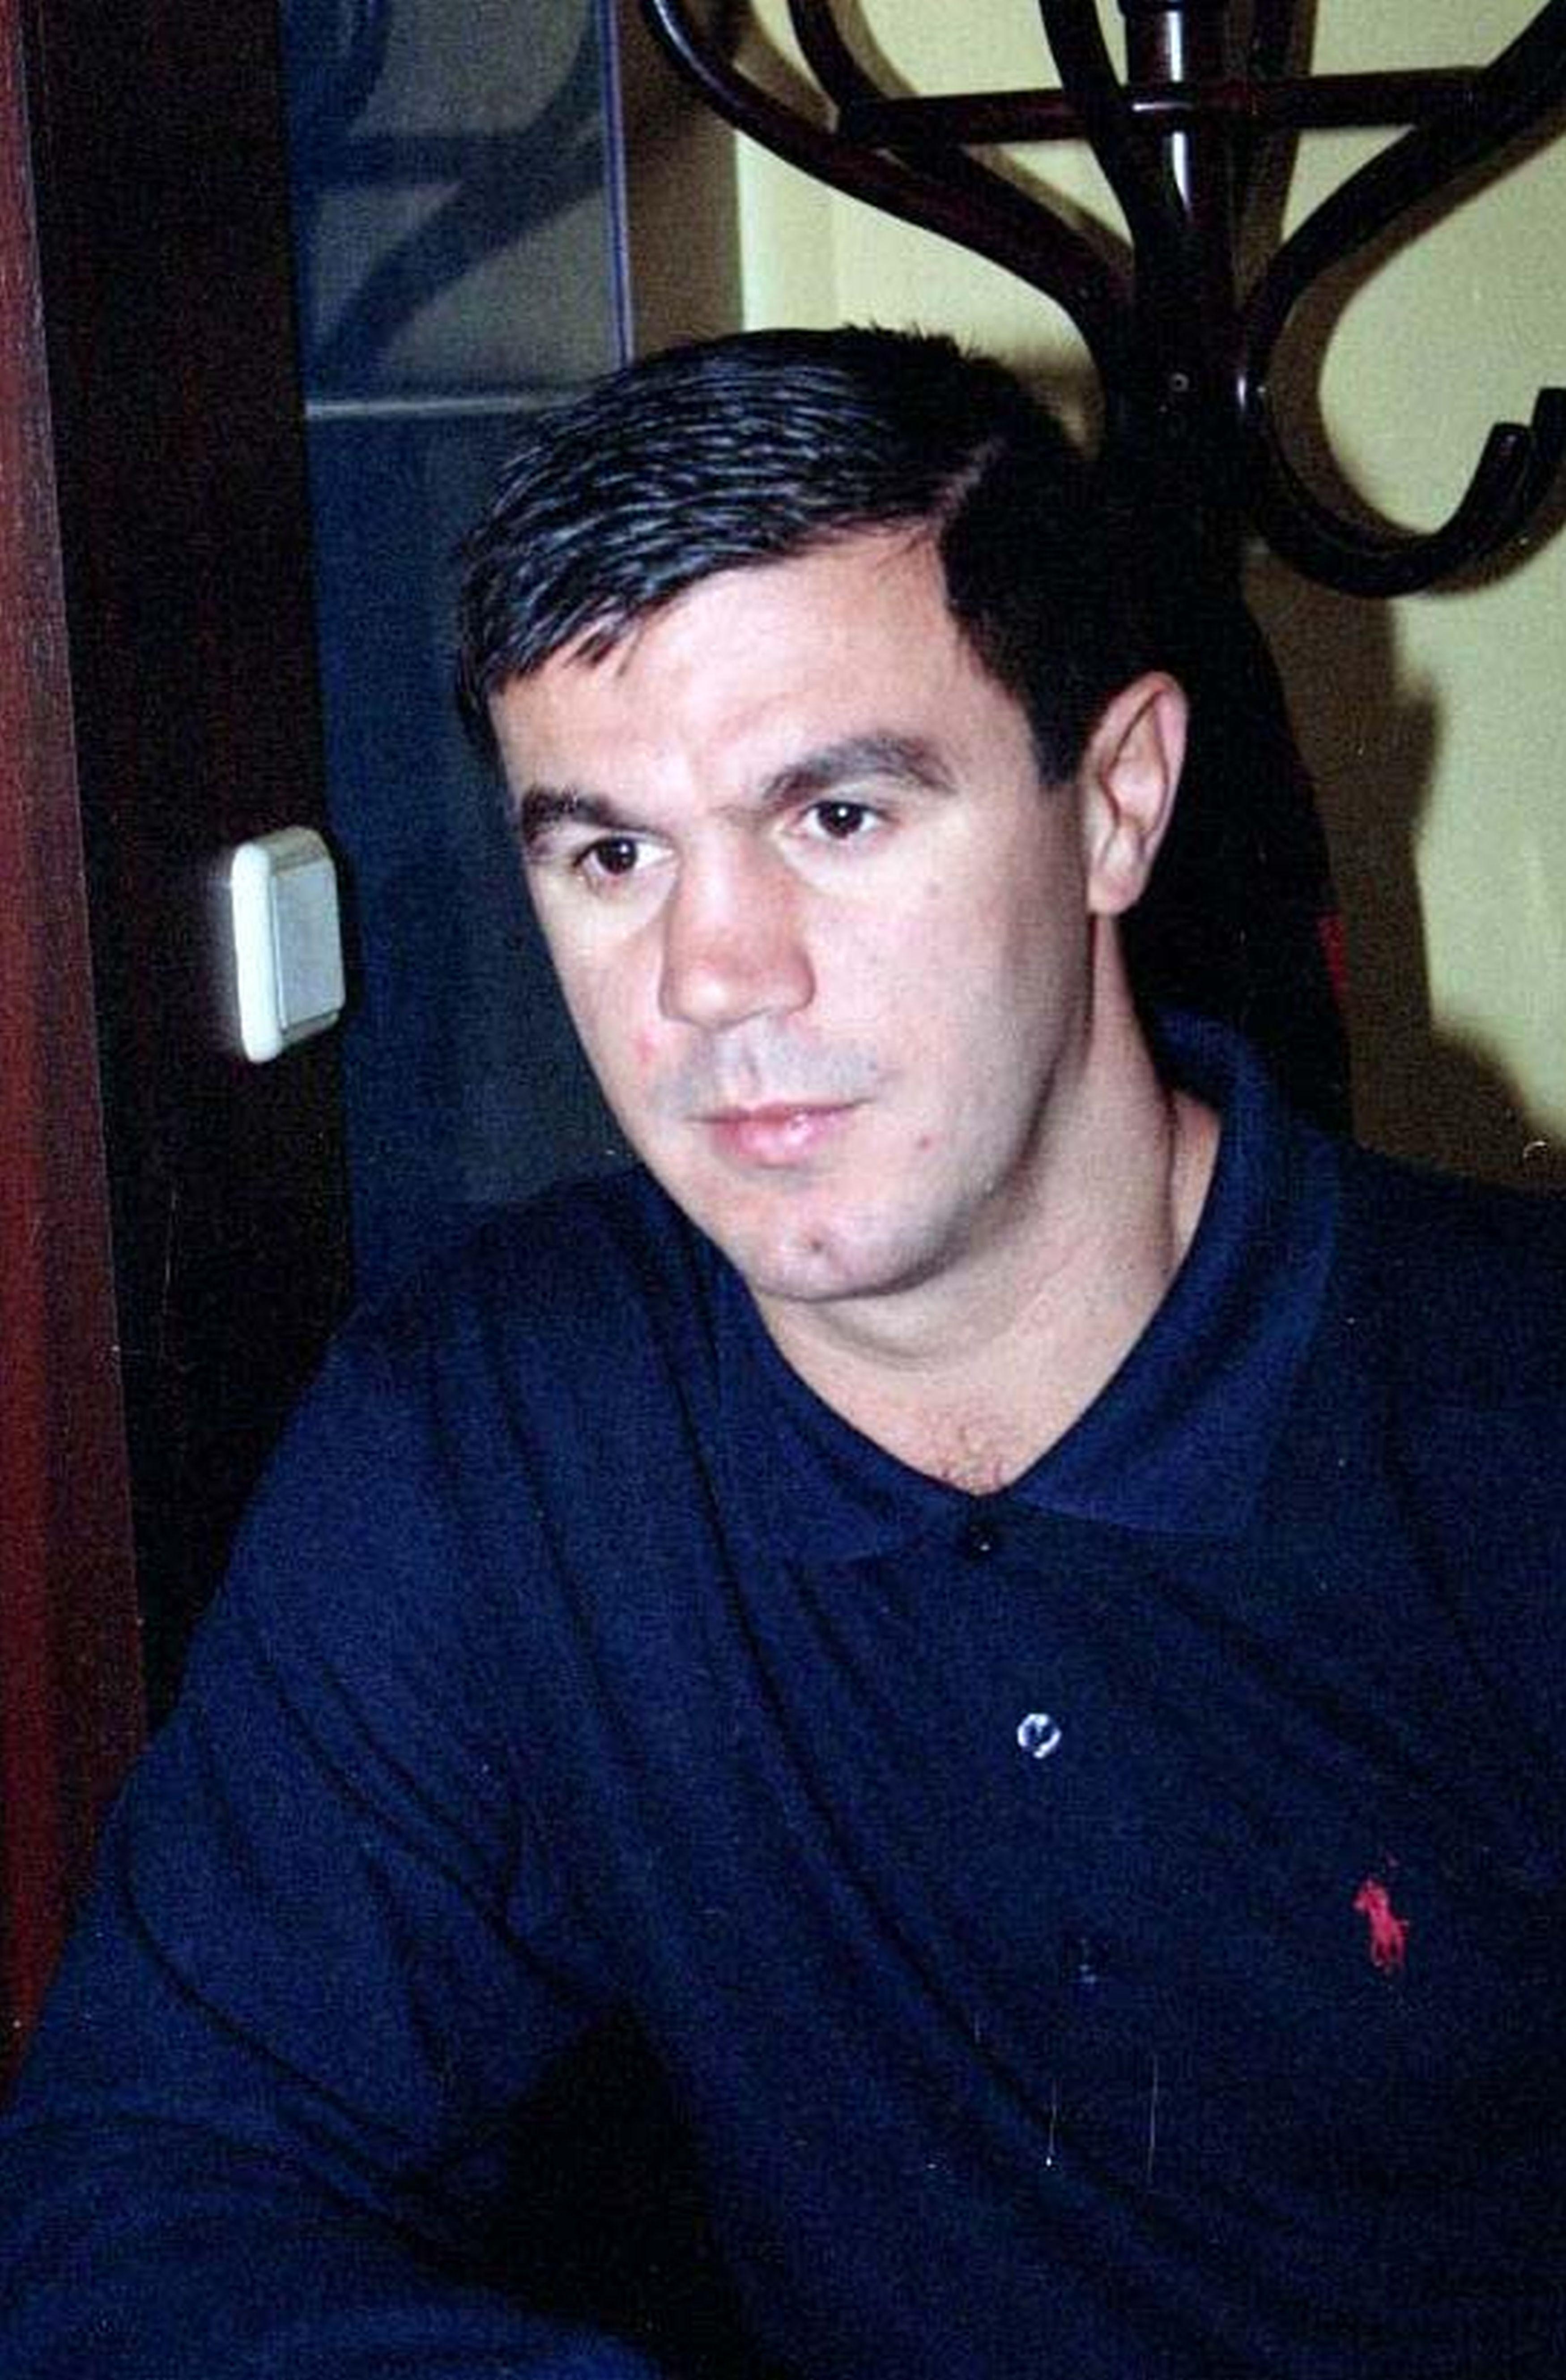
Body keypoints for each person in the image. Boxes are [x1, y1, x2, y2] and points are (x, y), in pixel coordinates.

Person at [3, 326, 1565, 2378]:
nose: (710, 976)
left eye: (832, 811)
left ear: (1115, 803)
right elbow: (144, 2184)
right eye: (611, 853)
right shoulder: (498, 1428)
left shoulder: (1508, 1422)